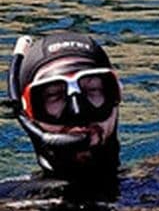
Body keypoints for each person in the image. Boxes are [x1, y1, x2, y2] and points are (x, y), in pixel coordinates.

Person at [4, 31, 122, 200]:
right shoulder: (9, 202)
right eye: (54, 96)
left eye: (93, 90)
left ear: (115, 95)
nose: (78, 112)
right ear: (28, 114)